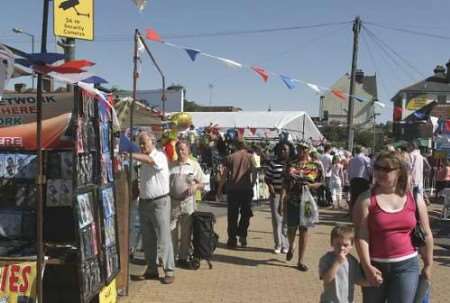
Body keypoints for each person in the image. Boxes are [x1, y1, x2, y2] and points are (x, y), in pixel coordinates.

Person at [353, 151, 434, 302]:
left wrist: (428, 264)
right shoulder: (365, 199)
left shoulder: (414, 198)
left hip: (407, 266)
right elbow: (361, 235)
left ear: (399, 172)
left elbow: (426, 233)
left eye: (386, 169)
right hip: (375, 266)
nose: (380, 172)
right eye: (377, 167)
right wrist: (366, 266)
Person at [131, 129, 175, 284]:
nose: (141, 145)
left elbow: (150, 161)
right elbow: (140, 179)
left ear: (152, 141)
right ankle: (151, 269)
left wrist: (129, 154)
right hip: (144, 202)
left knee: (163, 237)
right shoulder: (142, 160)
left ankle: (169, 270)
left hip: (159, 202)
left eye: (144, 142)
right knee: (148, 238)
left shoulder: (159, 156)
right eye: (140, 143)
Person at [281, 143, 323, 271]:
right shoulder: (291, 163)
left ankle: (300, 261)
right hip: (292, 200)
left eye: (303, 148)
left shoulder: (316, 165)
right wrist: (281, 202)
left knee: (304, 229)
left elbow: (321, 183)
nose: (300, 151)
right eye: (299, 148)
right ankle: (291, 245)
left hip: (308, 201)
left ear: (308, 150)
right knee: (291, 229)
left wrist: (310, 186)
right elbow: (285, 183)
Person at [170, 140, 205, 268]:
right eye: (178, 149)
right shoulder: (171, 165)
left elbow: (204, 183)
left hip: (187, 203)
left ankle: (183, 258)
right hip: (173, 203)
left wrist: (196, 185)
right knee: (171, 231)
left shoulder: (194, 165)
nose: (180, 152)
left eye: (183, 149)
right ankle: (171, 258)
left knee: (186, 232)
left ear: (188, 151)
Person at [218, 140, 257, 248]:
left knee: (232, 216)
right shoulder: (250, 157)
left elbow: (225, 174)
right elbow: (254, 172)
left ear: (235, 146)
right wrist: (252, 184)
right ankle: (243, 234)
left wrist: (220, 188)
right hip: (246, 189)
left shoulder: (230, 157)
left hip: (233, 189)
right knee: (246, 214)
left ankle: (232, 239)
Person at [319, 225, 368, 303]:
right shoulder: (326, 259)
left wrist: (371, 282)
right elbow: (326, 280)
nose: (342, 248)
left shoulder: (353, 261)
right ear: (332, 243)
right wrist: (337, 262)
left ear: (351, 245)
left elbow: (358, 280)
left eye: (345, 245)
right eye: (338, 244)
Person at [265, 143, 292, 254]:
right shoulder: (273, 164)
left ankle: (285, 244)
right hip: (275, 194)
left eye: (285, 149)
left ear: (289, 151)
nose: (282, 151)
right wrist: (270, 188)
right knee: (277, 221)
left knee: (286, 221)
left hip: (289, 195)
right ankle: (278, 244)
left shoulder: (291, 164)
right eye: (281, 149)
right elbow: (268, 178)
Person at [348, 146, 371, 213]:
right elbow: (369, 170)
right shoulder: (366, 159)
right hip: (363, 180)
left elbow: (349, 171)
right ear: (362, 151)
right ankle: (361, 212)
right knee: (363, 197)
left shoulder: (352, 159)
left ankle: (352, 212)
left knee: (354, 197)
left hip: (353, 179)